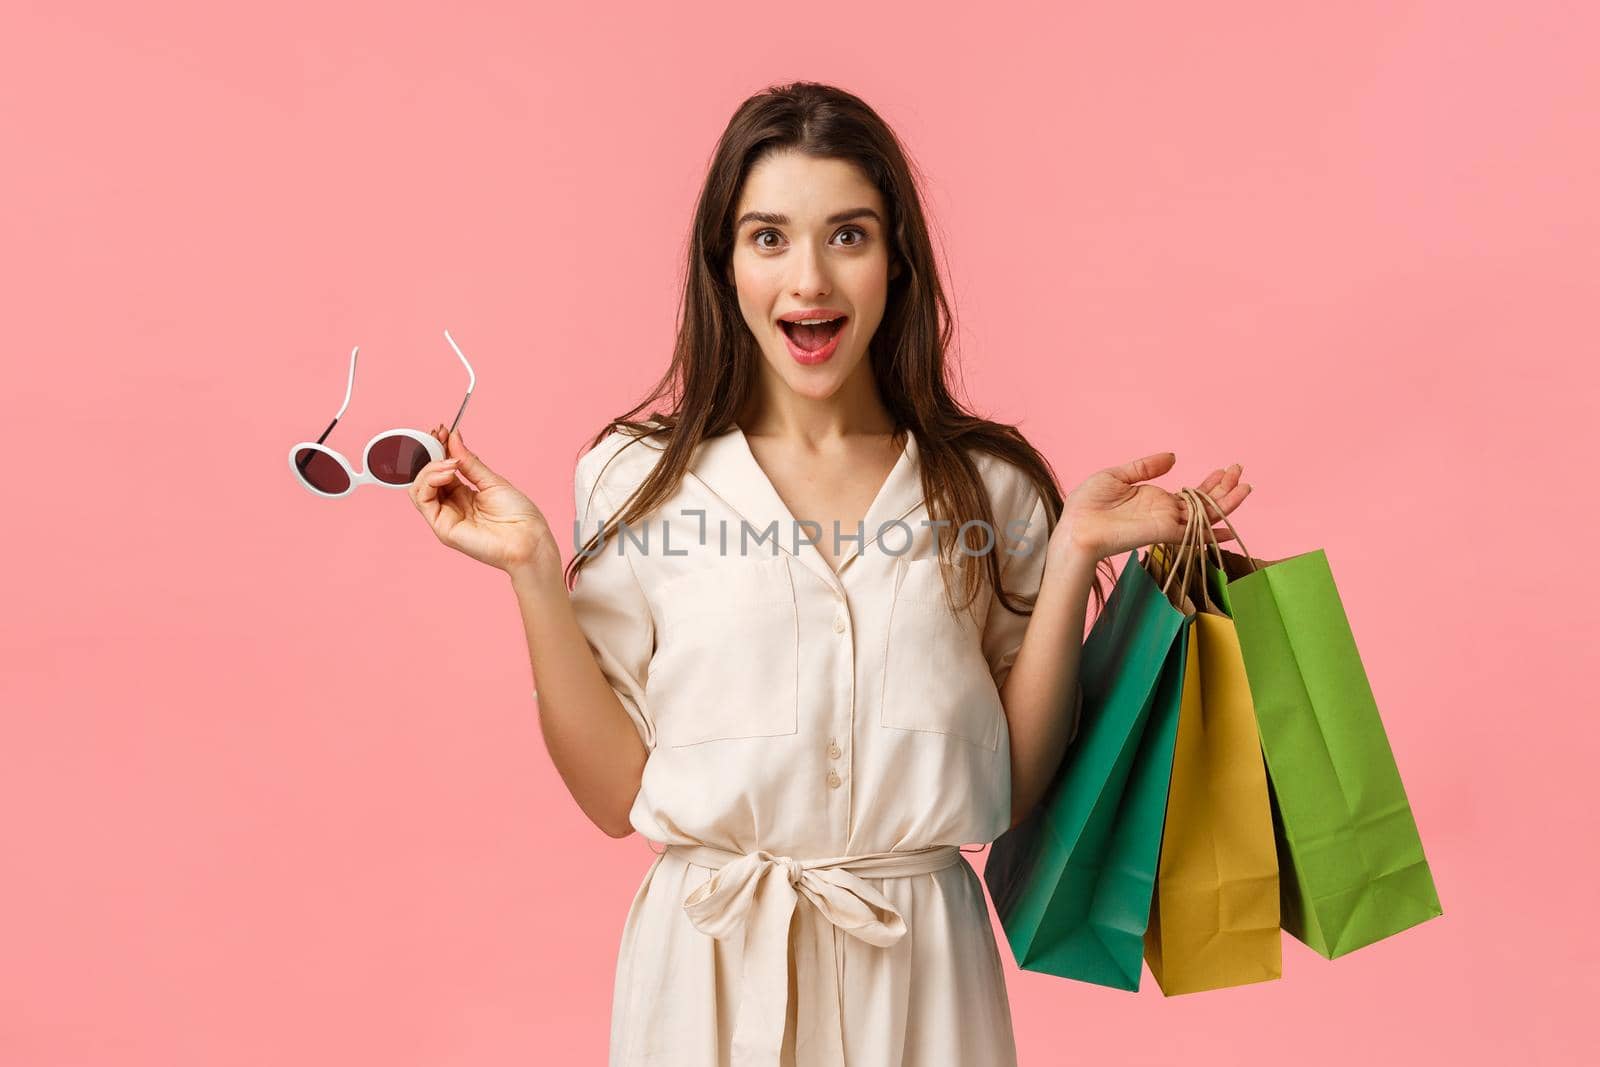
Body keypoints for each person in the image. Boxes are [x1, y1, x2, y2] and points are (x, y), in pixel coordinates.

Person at [406, 82, 1250, 1067]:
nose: (808, 279)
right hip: (708, 972)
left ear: (895, 257)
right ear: (723, 264)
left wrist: (1070, 559)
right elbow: (610, 796)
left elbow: (1013, 791)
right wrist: (533, 573)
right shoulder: (638, 480)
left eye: (846, 235)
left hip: (922, 975)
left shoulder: (989, 485)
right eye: (769, 237)